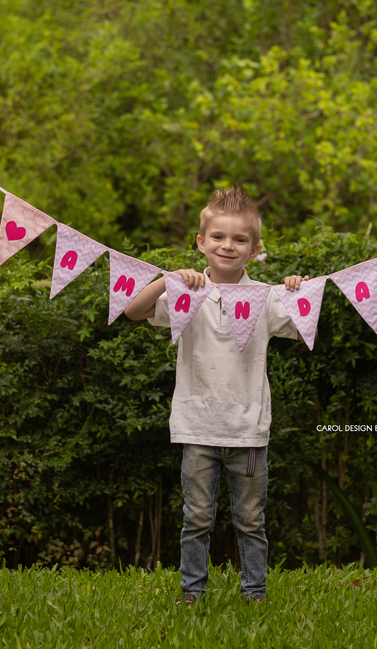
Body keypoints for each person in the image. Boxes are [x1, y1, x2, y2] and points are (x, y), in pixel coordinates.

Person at [124, 187, 307, 604]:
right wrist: (167, 280)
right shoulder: (186, 292)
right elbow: (134, 311)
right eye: (219, 237)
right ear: (201, 242)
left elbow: (301, 327)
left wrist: (297, 292)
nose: (228, 245)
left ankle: (255, 593)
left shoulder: (266, 297)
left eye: (240, 239)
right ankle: (192, 594)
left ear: (254, 249)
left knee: (251, 520)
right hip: (197, 427)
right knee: (196, 518)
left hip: (248, 431)